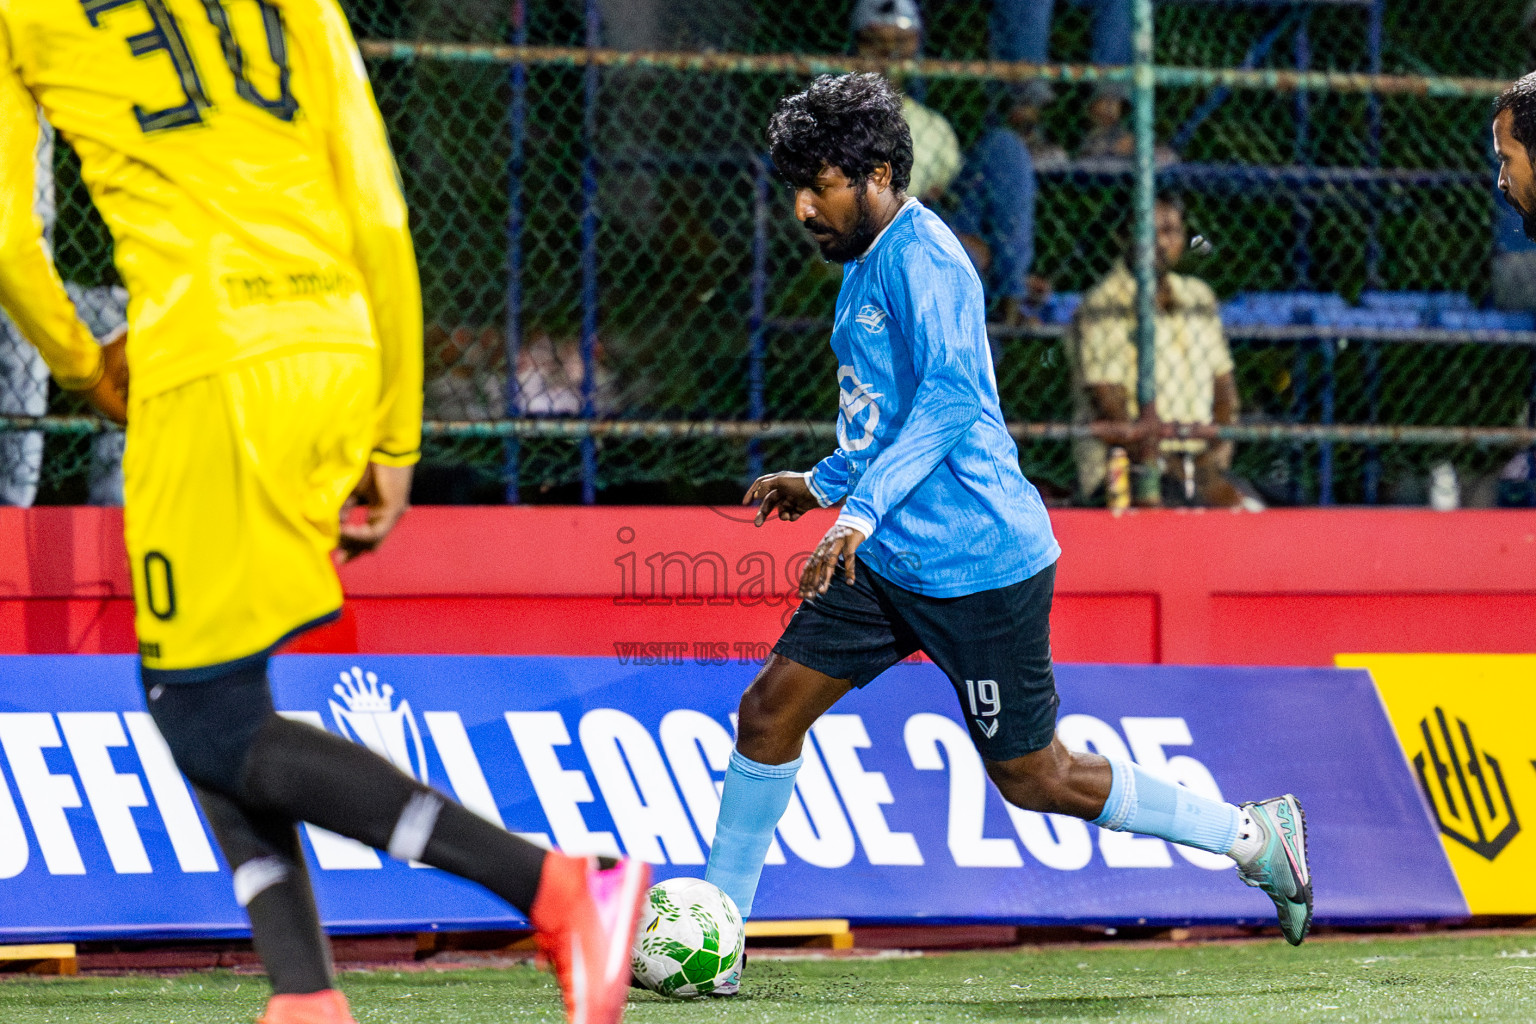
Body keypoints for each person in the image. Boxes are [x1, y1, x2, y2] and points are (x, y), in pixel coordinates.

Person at [0, 4, 647, 1024]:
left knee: (199, 710)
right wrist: (395, 431)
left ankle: (559, 889)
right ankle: (305, 997)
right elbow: (378, 206)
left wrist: (82, 362)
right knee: (216, 691)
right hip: (337, 343)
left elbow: (7, 234)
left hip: (210, 359)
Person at [702, 73, 1311, 996]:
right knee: (768, 712)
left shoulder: (926, 260)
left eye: (817, 186)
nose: (801, 208)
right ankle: (715, 941)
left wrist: (858, 511)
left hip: (980, 564)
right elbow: (883, 415)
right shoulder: (863, 262)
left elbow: (949, 401)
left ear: (876, 175)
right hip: (889, 557)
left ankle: (1254, 837)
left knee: (1034, 776)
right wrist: (823, 483)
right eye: (794, 187)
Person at [1068, 194, 1249, 508]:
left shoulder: (1198, 296)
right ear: (1123, 236)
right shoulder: (1103, 304)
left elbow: (1225, 391)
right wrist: (1188, 475)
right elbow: (1111, 409)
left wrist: (1212, 457)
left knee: (1272, 511)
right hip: (1130, 466)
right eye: (1149, 232)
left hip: (1201, 464)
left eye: (1171, 231)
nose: (1161, 242)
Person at [950, 90, 1050, 326]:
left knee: (1005, 148)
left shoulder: (929, 126)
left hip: (949, 219)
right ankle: (1009, 295)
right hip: (907, 229)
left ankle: (1010, 289)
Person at [852, 0, 961, 204]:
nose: (889, 53)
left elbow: (948, 198)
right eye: (875, 42)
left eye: (900, 42)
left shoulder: (936, 127)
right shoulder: (831, 123)